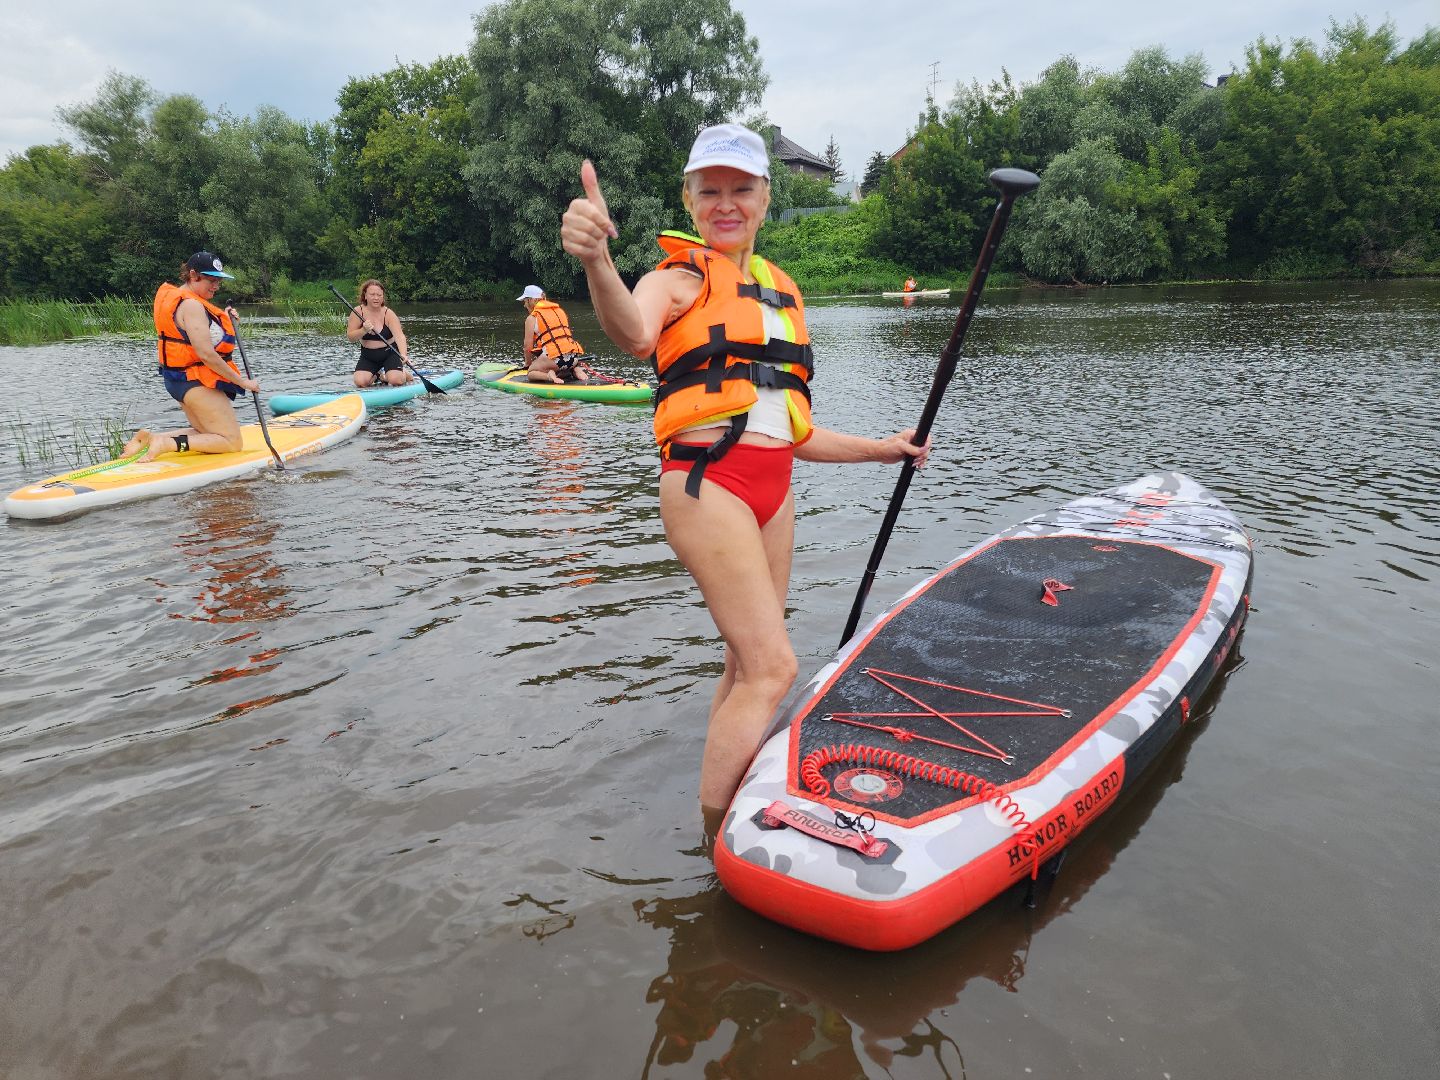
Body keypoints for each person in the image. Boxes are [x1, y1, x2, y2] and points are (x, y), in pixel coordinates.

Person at [561, 123, 929, 823]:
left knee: (742, 662)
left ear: (764, 197)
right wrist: (597, 262)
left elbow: (793, 432)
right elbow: (634, 335)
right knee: (774, 667)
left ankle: (727, 794)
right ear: (690, 200)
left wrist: (883, 449)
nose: (725, 203)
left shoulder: (781, 291)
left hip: (773, 495)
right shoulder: (672, 280)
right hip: (707, 485)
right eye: (710, 191)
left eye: (741, 190)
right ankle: (718, 835)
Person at [122, 251, 259, 462]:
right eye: (211, 280)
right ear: (193, 275)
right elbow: (206, 354)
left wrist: (226, 321)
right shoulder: (192, 305)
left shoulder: (185, 300)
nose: (216, 286)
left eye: (219, 281)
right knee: (231, 441)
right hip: (195, 381)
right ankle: (166, 444)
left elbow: (199, 333)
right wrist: (241, 382)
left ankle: (148, 441)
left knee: (209, 434)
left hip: (180, 381)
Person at [517, 284, 587, 383]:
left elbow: (527, 346)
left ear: (531, 300)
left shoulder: (532, 318)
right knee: (561, 366)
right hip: (573, 359)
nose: (524, 305)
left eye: (525, 301)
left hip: (555, 361)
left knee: (531, 373)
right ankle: (575, 370)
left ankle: (549, 376)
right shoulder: (559, 311)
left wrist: (528, 364)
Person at [346, 279, 410, 387]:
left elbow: (399, 336)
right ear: (365, 295)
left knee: (395, 381)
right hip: (368, 355)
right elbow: (351, 338)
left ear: (383, 297)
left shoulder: (388, 314)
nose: (376, 298)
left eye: (379, 295)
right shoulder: (357, 312)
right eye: (372, 294)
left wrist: (403, 354)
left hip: (390, 353)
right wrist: (363, 330)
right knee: (360, 383)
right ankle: (377, 375)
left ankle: (404, 375)